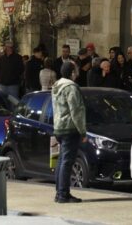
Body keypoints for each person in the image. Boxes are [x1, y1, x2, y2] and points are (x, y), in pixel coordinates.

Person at [51, 62, 87, 204]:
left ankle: (59, 192)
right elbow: (76, 111)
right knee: (67, 162)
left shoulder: (57, 86)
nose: (78, 71)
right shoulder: (71, 87)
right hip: (69, 128)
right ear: (72, 72)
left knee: (61, 161)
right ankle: (63, 194)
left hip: (59, 127)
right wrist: (82, 131)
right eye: (76, 69)